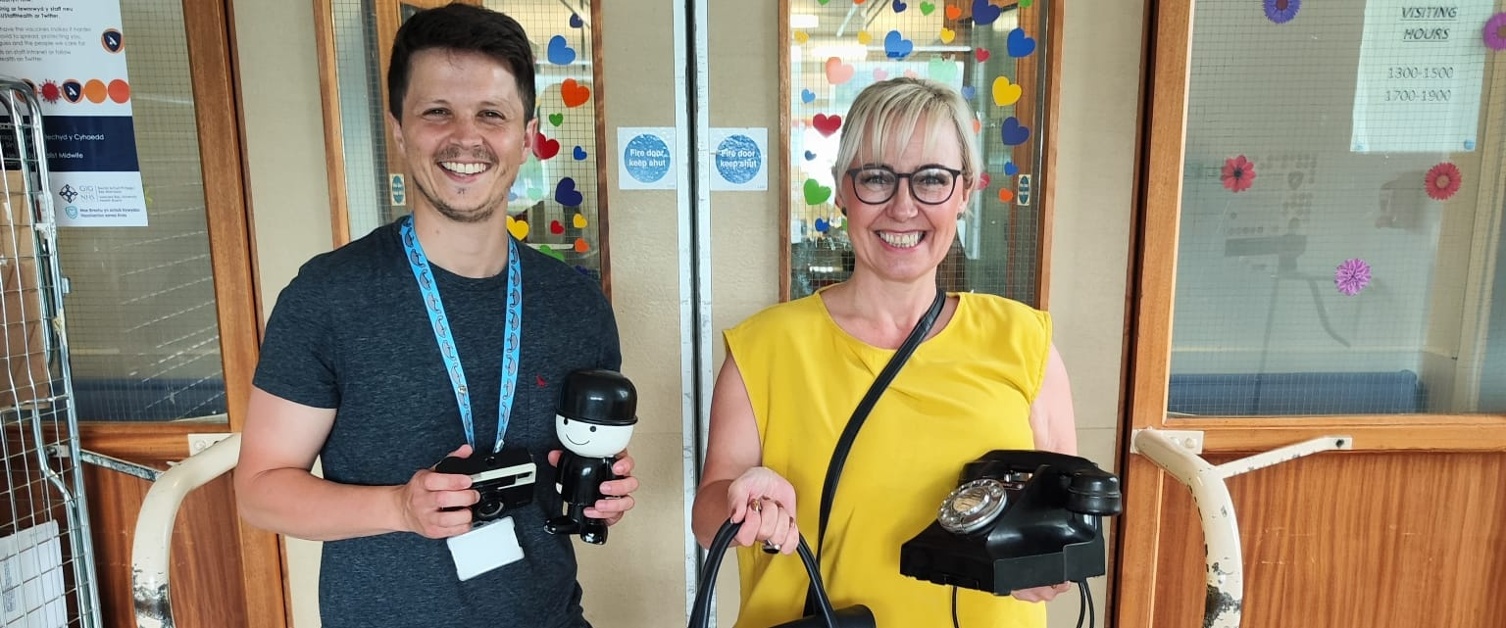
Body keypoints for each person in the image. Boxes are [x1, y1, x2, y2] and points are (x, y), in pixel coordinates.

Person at [234, 5, 636, 627]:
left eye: (491, 115)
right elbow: (260, 490)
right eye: (437, 112)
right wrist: (399, 507)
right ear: (399, 129)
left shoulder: (576, 306)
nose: (465, 138)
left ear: (525, 137)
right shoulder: (330, 295)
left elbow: (558, 479)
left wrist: (593, 495)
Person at [690, 77, 1078, 628]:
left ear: (964, 192)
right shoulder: (765, 347)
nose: (903, 206)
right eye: (876, 178)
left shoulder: (1024, 343)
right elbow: (708, 519)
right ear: (842, 191)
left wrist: (1050, 560)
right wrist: (741, 499)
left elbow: (1060, 516)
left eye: (931, 180)